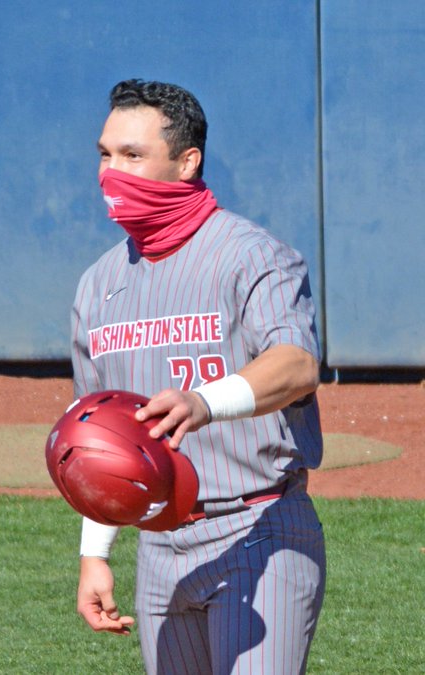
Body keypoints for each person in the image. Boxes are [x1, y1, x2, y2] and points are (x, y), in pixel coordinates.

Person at [71, 79, 327, 674]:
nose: (113, 172)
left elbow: (296, 364)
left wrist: (204, 402)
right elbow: (99, 437)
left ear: (188, 163)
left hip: (258, 529)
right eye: (106, 154)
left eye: (133, 156)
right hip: (159, 550)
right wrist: (95, 554)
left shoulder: (253, 256)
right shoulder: (97, 285)